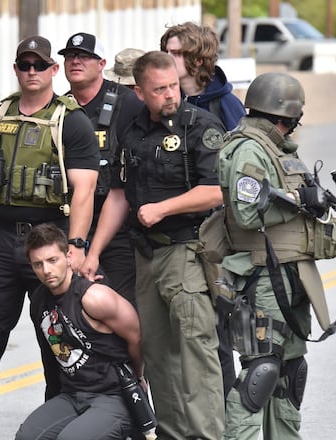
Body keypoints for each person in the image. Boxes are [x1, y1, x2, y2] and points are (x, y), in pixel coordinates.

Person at [0, 35, 99, 440]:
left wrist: (77, 247)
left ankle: (60, 419)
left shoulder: (72, 121)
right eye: (25, 65)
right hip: (0, 240)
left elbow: (83, 191)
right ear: (16, 69)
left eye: (39, 65)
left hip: (50, 242)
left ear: (53, 70)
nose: (32, 72)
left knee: (59, 337)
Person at [85, 51, 226, 440]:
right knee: (156, 354)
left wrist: (163, 208)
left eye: (173, 87)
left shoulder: (200, 126)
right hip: (145, 256)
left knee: (196, 353)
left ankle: (206, 434)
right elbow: (118, 195)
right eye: (159, 89)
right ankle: (172, 433)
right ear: (140, 91)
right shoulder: (131, 131)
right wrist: (93, 251)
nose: (170, 96)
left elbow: (217, 190)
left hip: (187, 253)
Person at [217, 72, 336, 440]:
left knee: (289, 373)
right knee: (261, 372)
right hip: (263, 276)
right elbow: (246, 211)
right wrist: (300, 202)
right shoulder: (248, 148)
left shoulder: (278, 150)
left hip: (289, 275)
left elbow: (296, 207)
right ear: (284, 117)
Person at [161, 20, 247, 400]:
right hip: (170, 234)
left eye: (176, 52)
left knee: (217, 332)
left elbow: (246, 166)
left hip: (216, 235)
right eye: (165, 50)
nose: (168, 59)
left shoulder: (223, 104)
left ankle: (226, 416)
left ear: (197, 58)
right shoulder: (162, 102)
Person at [15, 223, 144, 440]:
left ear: (68, 257)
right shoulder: (39, 301)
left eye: (52, 260)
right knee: (26, 437)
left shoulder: (94, 297)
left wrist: (138, 378)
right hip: (72, 396)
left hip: (112, 396)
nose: (46, 270)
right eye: (38, 264)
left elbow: (137, 336)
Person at [58, 32, 144, 307]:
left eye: (85, 57)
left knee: (122, 306)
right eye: (70, 56)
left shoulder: (127, 103)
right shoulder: (59, 110)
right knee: (69, 309)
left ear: (101, 63)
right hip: (69, 224)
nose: (76, 62)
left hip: (117, 227)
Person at [161, 22, 245, 131]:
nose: (167, 58)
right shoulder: (164, 99)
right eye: (166, 52)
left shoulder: (227, 104)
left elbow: (241, 145)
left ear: (198, 60)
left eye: (176, 53)